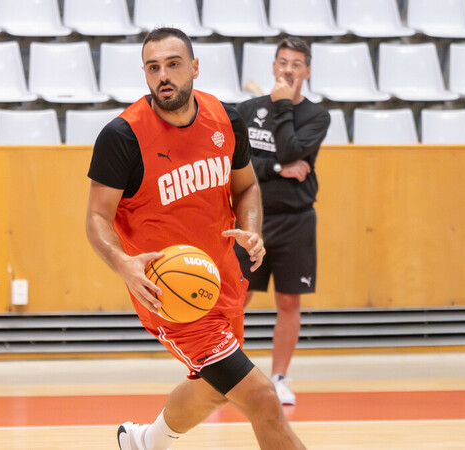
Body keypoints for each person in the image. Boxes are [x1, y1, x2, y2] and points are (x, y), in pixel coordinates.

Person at [86, 27, 306, 450]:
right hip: (169, 294)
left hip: (222, 280)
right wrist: (122, 264)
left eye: (172, 64)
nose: (163, 75)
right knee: (262, 398)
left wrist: (253, 230)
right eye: (153, 68)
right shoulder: (123, 136)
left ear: (195, 67)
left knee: (214, 388)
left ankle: (145, 442)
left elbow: (246, 188)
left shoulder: (226, 119)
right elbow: (97, 217)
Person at [235, 37, 330, 405]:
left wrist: (282, 107)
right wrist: (276, 167)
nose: (288, 69)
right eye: (282, 62)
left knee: (289, 301)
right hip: (251, 219)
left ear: (307, 70)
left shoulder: (317, 117)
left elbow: (292, 148)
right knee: (237, 297)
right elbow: (237, 163)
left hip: (296, 221)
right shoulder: (246, 109)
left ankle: (278, 378)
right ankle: (222, 377)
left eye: (296, 64)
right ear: (274, 66)